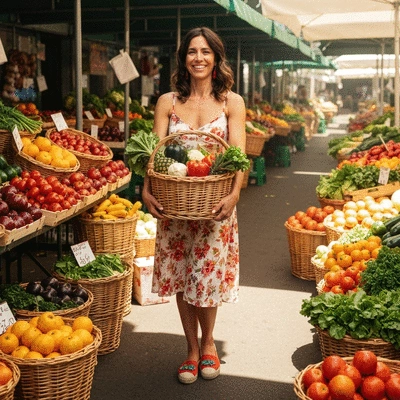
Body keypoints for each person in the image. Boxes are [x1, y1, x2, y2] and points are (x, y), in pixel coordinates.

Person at [141, 26, 246, 384]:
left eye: (205, 52)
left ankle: (210, 343)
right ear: (183, 59)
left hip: (215, 207)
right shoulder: (167, 102)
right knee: (182, 279)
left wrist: (233, 195)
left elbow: (239, 156)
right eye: (191, 52)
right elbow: (152, 155)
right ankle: (190, 348)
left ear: (216, 58)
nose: (198, 58)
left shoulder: (232, 102)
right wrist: (146, 189)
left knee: (207, 278)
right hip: (175, 206)